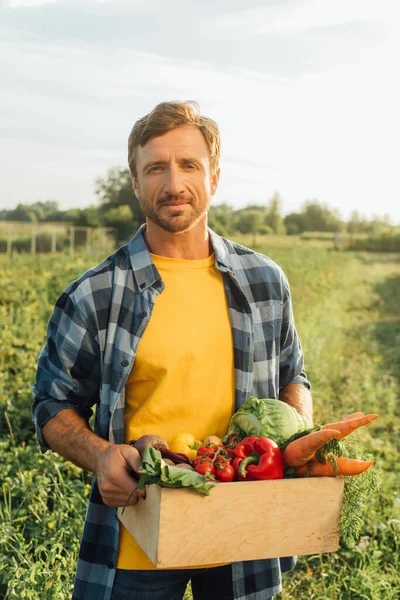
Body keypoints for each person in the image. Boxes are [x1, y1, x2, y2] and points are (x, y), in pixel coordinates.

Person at [32, 100, 312, 600]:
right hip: (138, 532)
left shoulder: (264, 280)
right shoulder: (95, 293)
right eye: (155, 167)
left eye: (189, 165)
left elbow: (294, 375)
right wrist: (101, 457)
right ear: (135, 182)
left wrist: (293, 436)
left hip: (242, 534)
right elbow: (52, 404)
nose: (173, 183)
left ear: (215, 176)